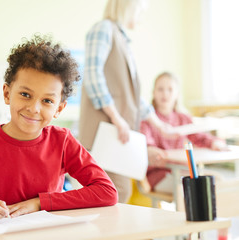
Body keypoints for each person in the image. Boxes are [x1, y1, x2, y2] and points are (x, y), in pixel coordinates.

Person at [0, 35, 118, 225]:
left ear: (59, 108)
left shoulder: (62, 140)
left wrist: (39, 203)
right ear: (7, 93)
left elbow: (106, 191)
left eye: (47, 101)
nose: (34, 108)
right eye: (25, 94)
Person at [78, 0, 176, 203]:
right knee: (113, 193)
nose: (141, 17)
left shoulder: (122, 40)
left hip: (116, 133)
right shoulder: (104, 30)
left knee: (118, 193)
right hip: (104, 133)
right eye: (140, 10)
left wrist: (159, 125)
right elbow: (93, 77)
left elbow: (132, 96)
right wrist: (116, 117)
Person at [140, 72, 228, 193]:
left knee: (218, 181)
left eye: (170, 89)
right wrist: (151, 152)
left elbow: (200, 136)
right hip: (160, 175)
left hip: (185, 171)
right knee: (193, 190)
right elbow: (147, 146)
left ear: (177, 94)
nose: (165, 94)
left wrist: (215, 143)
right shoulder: (147, 120)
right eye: (160, 89)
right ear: (153, 93)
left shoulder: (183, 118)